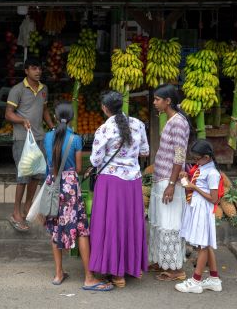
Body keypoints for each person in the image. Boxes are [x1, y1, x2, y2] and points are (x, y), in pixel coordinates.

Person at [44, 101, 113, 291]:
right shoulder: (75, 139)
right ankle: (88, 278)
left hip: (52, 184)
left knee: (55, 228)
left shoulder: (48, 137)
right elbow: (79, 168)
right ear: (71, 118)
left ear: (56, 117)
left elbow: (48, 163)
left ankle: (58, 274)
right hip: (70, 186)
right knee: (81, 229)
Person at [88, 91, 150, 288]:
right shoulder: (138, 124)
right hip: (132, 181)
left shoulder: (104, 129)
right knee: (130, 223)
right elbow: (145, 151)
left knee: (111, 225)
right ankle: (132, 268)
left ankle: (116, 274)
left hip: (110, 182)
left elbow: (95, 160)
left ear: (105, 108)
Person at [5, 57, 55, 232]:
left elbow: (45, 110)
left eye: (39, 68)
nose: (38, 71)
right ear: (26, 70)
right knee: (23, 177)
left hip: (39, 137)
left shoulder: (43, 89)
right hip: (22, 139)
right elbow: (8, 114)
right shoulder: (17, 90)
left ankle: (27, 207)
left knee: (36, 176)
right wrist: (22, 120)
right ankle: (15, 212)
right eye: (34, 68)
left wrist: (53, 127)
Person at [148, 83, 191, 281]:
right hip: (162, 178)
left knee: (170, 223)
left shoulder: (179, 123)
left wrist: (172, 184)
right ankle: (162, 260)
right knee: (160, 221)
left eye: (158, 99)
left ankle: (176, 270)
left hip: (169, 180)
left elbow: (179, 156)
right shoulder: (170, 119)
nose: (154, 102)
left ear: (168, 101)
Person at [176, 139, 223, 293]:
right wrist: (187, 178)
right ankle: (214, 279)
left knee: (202, 246)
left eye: (197, 159)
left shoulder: (212, 173)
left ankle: (196, 281)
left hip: (203, 210)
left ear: (207, 157)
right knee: (204, 244)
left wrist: (193, 186)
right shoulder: (201, 167)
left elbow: (214, 199)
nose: (195, 162)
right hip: (196, 208)